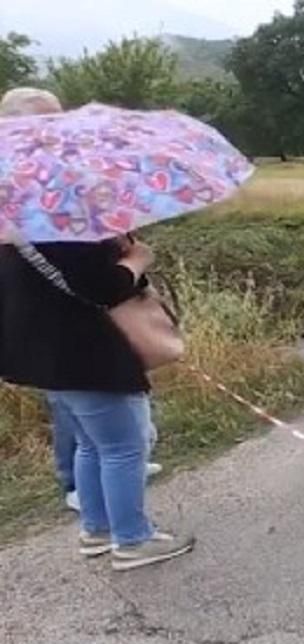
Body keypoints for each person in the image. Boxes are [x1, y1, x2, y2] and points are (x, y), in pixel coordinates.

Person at [0, 89, 193, 570]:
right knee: (126, 446)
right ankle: (132, 539)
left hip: (39, 350)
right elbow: (101, 287)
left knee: (90, 444)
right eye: (51, 122)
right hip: (84, 348)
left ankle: (97, 531)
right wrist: (136, 259)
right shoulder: (56, 201)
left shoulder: (11, 196)